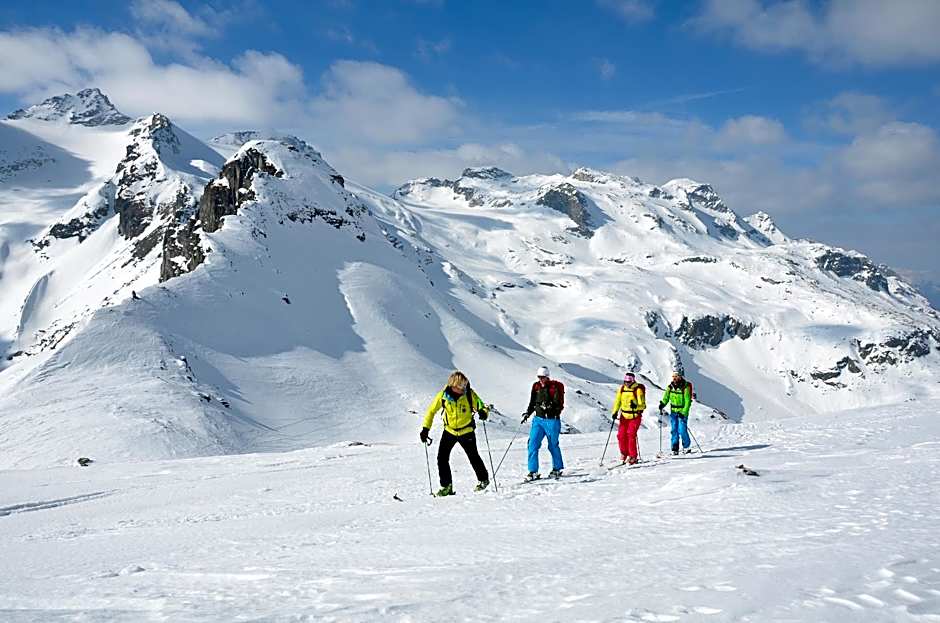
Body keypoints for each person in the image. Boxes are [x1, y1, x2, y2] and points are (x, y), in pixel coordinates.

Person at [420, 370, 490, 496]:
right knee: (442, 458)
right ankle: (447, 486)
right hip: (449, 431)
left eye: (464, 385)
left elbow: (481, 405)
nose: (463, 388)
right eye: (461, 386)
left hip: (466, 431)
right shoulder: (443, 396)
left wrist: (483, 412)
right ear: (453, 385)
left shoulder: (469, 394)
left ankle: (483, 480)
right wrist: (425, 429)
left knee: (473, 457)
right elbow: (431, 411)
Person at [521, 366, 565, 480]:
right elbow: (532, 402)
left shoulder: (554, 387)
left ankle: (557, 468)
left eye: (543, 377)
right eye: (539, 377)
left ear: (547, 377)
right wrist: (528, 413)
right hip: (538, 420)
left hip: (552, 420)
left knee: (552, 445)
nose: (541, 379)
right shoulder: (536, 387)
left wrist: (549, 407)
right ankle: (533, 471)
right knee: (532, 444)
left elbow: (558, 405)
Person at [611, 372, 646, 464]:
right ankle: (624, 453)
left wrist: (636, 406)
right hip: (624, 416)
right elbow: (617, 401)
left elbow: (643, 405)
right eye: (625, 381)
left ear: (633, 381)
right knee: (621, 435)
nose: (627, 383)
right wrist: (614, 412)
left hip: (635, 416)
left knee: (631, 435)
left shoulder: (638, 390)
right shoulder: (622, 389)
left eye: (629, 381)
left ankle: (633, 456)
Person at [659, 371, 693, 455]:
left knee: (682, 430)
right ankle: (675, 448)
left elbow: (688, 401)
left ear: (680, 377)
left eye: (676, 376)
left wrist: (684, 412)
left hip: (682, 411)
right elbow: (666, 398)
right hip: (673, 411)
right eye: (673, 376)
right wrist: (662, 404)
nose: (674, 378)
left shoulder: (685, 387)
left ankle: (686, 447)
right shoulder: (670, 387)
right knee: (674, 430)